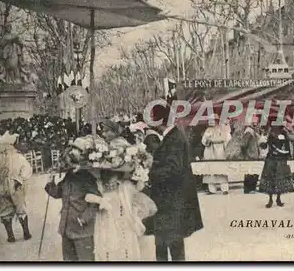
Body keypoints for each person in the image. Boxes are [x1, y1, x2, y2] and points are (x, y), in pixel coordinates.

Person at [145, 104, 203, 262]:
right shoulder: (174, 136)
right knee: (167, 244)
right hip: (171, 202)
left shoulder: (174, 139)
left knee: (171, 247)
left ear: (159, 122)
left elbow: (173, 169)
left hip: (171, 202)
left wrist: (149, 174)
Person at [45, 139, 100, 261]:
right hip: (66, 227)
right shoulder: (69, 175)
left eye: (76, 151)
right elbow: (57, 193)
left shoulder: (87, 177)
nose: (71, 153)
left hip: (82, 230)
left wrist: (85, 218)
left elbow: (96, 201)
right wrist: (50, 182)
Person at [85, 169, 157, 261]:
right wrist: (99, 200)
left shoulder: (125, 187)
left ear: (118, 175)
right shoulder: (98, 186)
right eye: (107, 174)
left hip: (123, 225)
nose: (110, 179)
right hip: (106, 225)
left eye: (113, 175)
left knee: (124, 248)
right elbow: (88, 197)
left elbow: (139, 187)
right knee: (108, 248)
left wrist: (141, 173)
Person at [0, 131, 33, 243]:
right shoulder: (18, 156)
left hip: (0, 188)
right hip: (16, 185)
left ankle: (11, 235)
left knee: (5, 211)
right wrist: (20, 179)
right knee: (21, 208)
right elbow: (27, 169)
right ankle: (26, 232)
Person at [259, 125, 294, 208]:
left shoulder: (284, 132)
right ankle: (271, 199)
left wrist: (289, 131)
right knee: (270, 179)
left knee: (279, 180)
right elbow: (264, 145)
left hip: (281, 159)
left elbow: (289, 142)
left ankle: (278, 199)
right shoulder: (270, 133)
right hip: (272, 159)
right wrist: (264, 138)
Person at [201, 114, 230, 195]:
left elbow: (226, 139)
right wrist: (207, 141)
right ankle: (212, 189)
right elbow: (203, 141)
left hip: (220, 151)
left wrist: (225, 149)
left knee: (221, 170)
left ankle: (224, 189)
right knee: (210, 171)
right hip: (209, 151)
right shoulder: (208, 130)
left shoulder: (222, 129)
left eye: (214, 120)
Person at [241, 116, 261, 193]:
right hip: (250, 155)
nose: (256, 124)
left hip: (254, 154)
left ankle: (251, 188)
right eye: (255, 123)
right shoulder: (249, 131)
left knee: (254, 172)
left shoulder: (252, 131)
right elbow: (244, 144)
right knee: (250, 172)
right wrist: (246, 153)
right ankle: (248, 189)